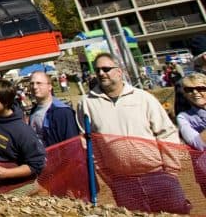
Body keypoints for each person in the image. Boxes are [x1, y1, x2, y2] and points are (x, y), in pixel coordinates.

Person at [78, 52, 191, 214]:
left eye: (106, 69)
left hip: (158, 176)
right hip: (122, 182)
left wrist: (170, 171)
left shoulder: (143, 98)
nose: (101, 73)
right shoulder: (86, 103)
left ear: (119, 71)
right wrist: (108, 177)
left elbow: (166, 133)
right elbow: (89, 144)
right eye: (98, 70)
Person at [0, 78, 46, 195]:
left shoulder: (22, 131)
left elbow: (36, 164)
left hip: (20, 190)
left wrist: (8, 173)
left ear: (5, 102)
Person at [28, 71, 80, 148]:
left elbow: (72, 145)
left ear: (50, 86)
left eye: (39, 83)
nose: (34, 87)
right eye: (32, 83)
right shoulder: (33, 111)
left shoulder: (63, 112)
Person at [178, 72, 206, 150]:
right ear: (185, 94)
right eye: (189, 90)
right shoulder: (183, 117)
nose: (195, 92)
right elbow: (198, 144)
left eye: (200, 88)